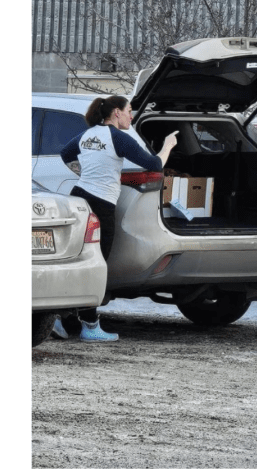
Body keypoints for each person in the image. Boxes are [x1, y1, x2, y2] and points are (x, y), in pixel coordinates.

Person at [55, 95, 178, 342]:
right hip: (100, 205)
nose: (131, 117)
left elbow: (65, 153)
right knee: (96, 265)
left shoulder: (87, 135)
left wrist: (88, 172)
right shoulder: (118, 138)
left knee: (77, 261)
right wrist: (168, 146)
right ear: (116, 113)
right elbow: (153, 164)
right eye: (129, 111)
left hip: (80, 198)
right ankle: (90, 326)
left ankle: (59, 316)